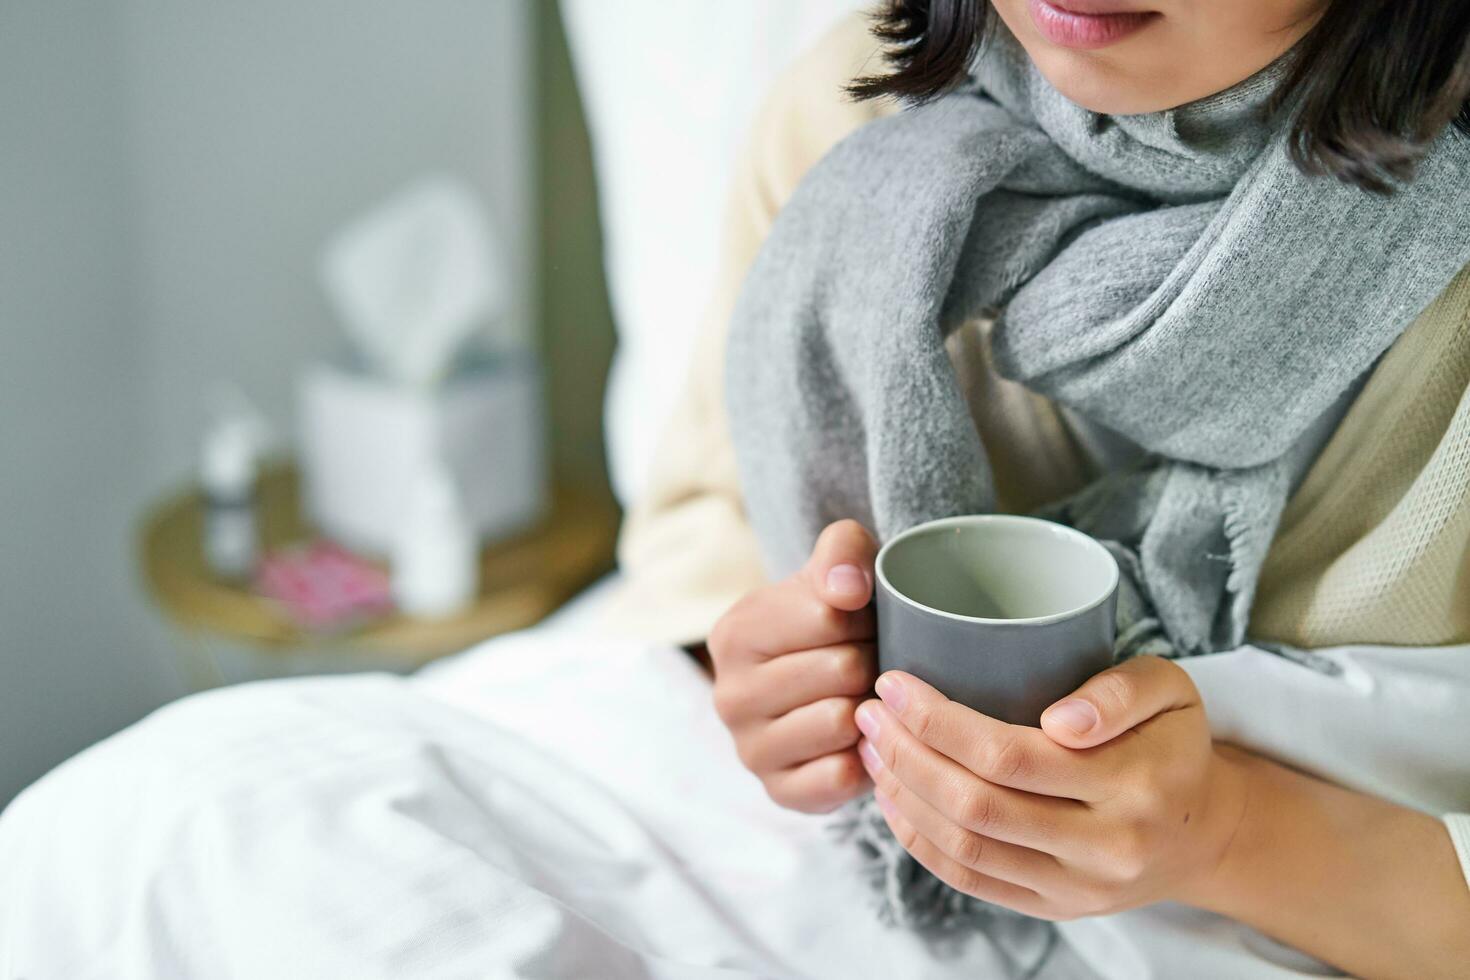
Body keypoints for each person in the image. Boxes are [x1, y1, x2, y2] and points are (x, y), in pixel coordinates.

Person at [3, 3, 1469, 978]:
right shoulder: (858, 124)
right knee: (161, 830)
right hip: (825, 849)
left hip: (1296, 910)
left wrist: (1220, 831)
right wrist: (752, 664)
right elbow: (711, 537)